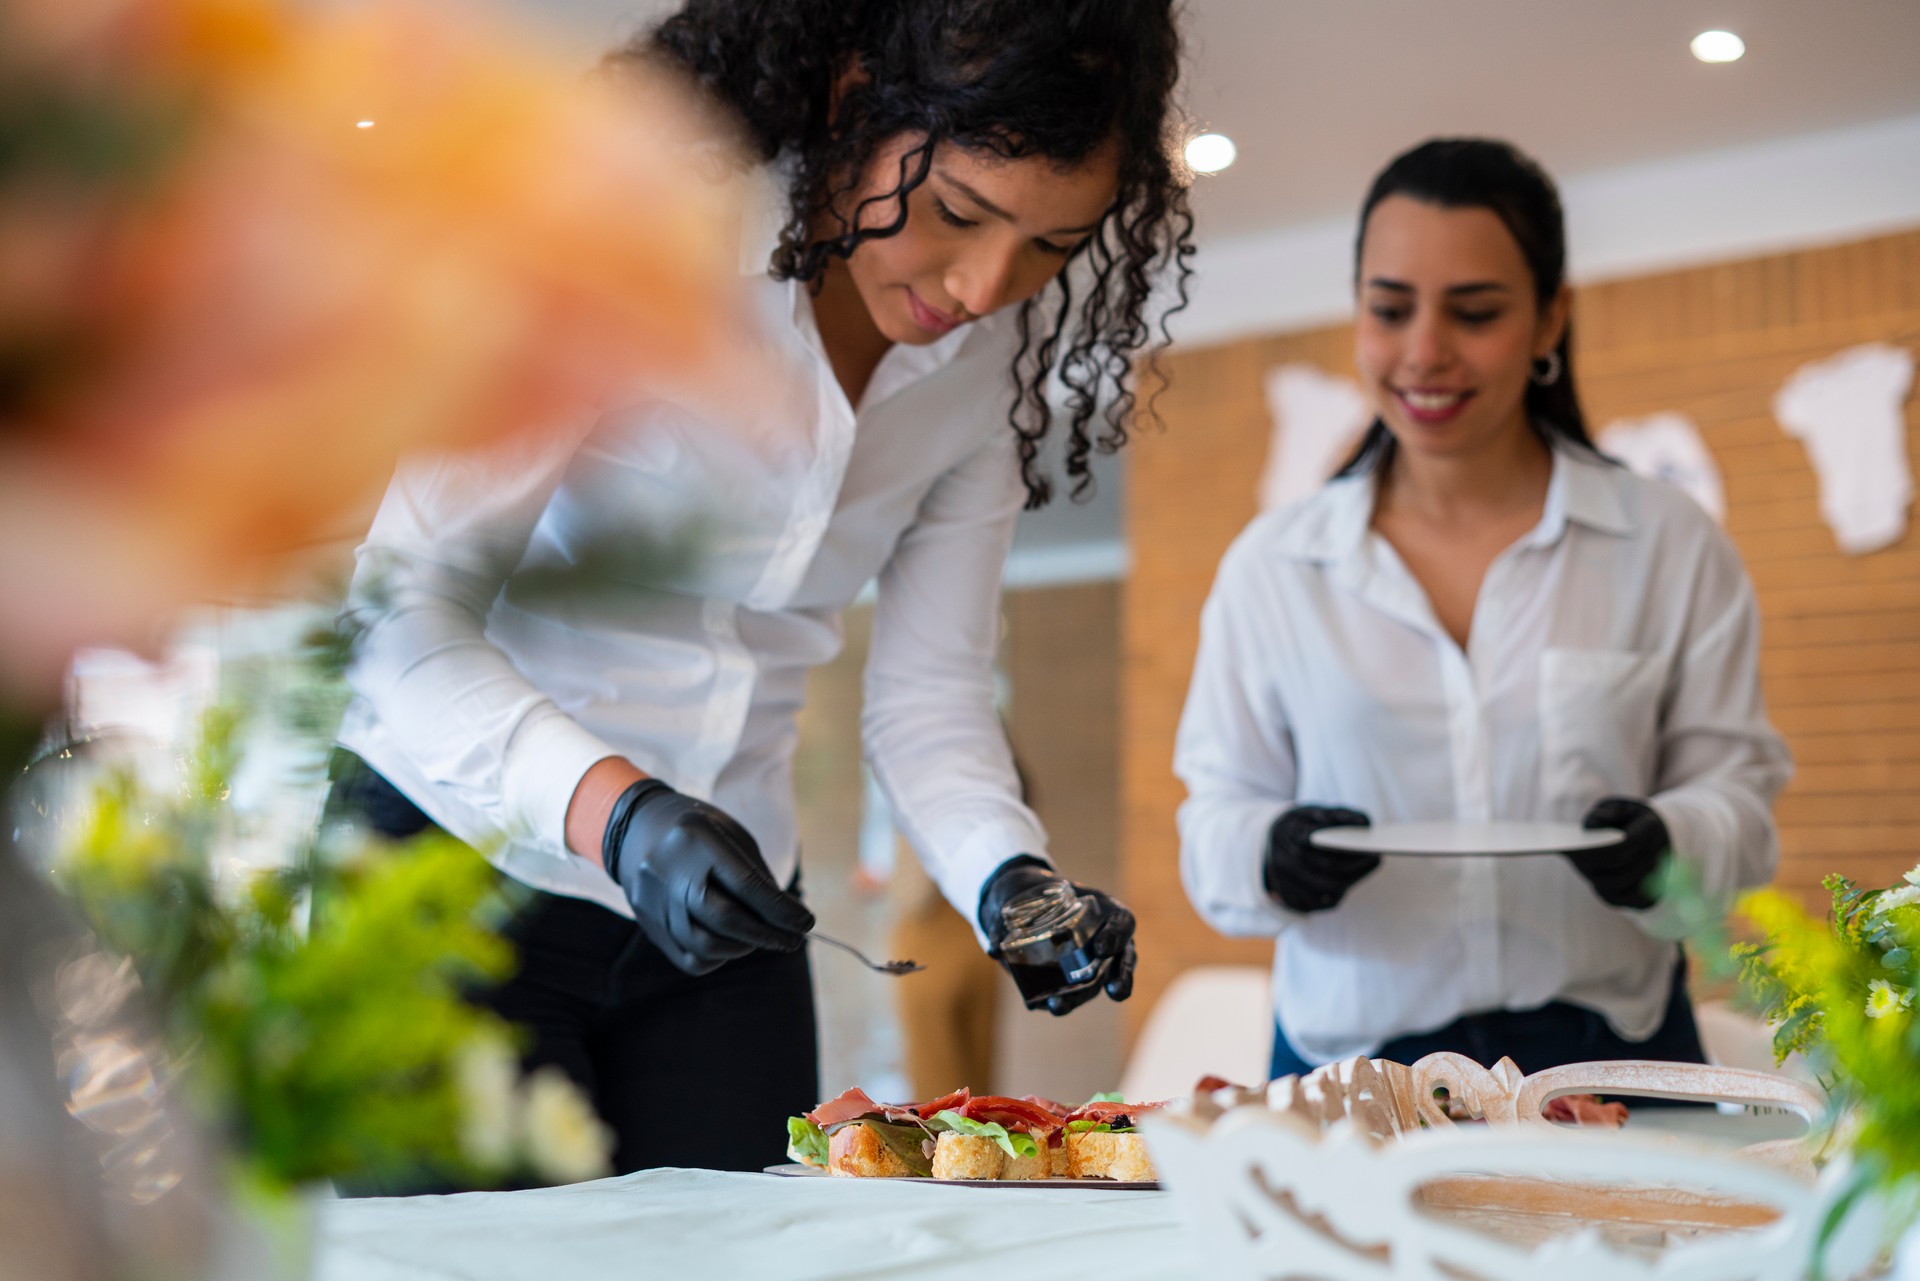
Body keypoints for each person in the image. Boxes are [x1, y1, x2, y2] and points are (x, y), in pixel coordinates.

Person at [330, 0, 1192, 1176]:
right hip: (454, 870)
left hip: (729, 914)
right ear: (854, 101)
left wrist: (1012, 879)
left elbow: (929, 691)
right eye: (955, 213)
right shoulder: (624, 238)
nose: (989, 284)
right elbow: (400, 622)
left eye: (1050, 245)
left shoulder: (985, 366)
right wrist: (618, 813)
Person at [1174, 138, 1791, 1082]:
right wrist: (1270, 852)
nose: (1424, 352)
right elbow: (1214, 817)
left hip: (1610, 1056)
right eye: (1390, 310)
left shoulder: (1666, 542)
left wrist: (1673, 841)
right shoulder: (1274, 567)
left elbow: (1740, 796)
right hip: (1350, 1068)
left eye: (1476, 311)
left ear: (1552, 319)